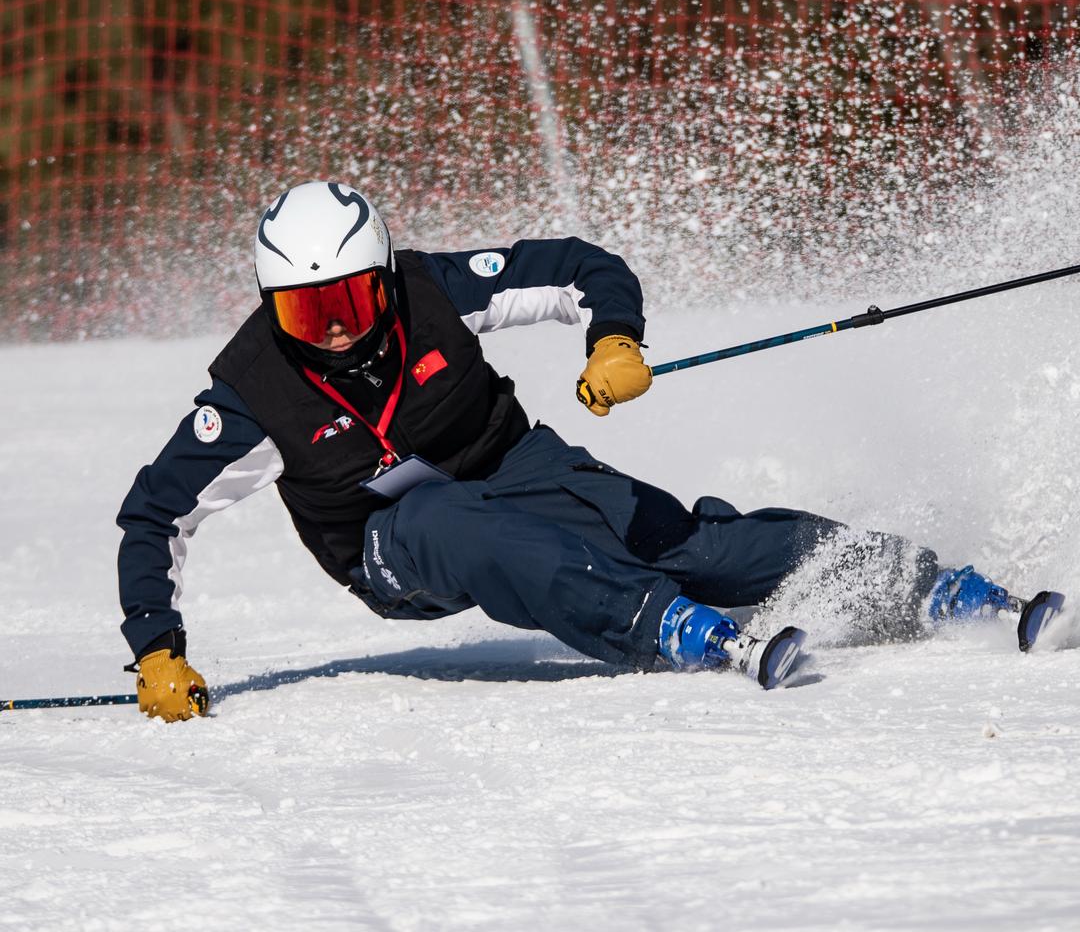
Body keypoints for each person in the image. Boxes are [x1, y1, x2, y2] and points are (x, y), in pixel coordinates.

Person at [117, 181, 1023, 721]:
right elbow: (155, 514)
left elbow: (581, 266)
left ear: (384, 275)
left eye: (350, 301)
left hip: (508, 460)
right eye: (305, 314)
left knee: (675, 538)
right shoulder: (252, 391)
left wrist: (613, 341)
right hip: (388, 542)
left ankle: (908, 579)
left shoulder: (432, 288)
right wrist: (158, 648)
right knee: (454, 523)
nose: (335, 331)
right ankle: (663, 626)